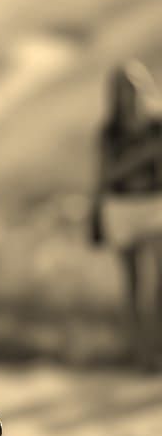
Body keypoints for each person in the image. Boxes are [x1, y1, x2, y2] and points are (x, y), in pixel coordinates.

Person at [91, 61, 162, 370]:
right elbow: (106, 174)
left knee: (159, 281)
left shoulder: (157, 124)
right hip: (122, 207)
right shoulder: (109, 132)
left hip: (154, 204)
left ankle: (155, 346)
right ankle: (139, 353)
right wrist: (143, 157)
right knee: (132, 283)